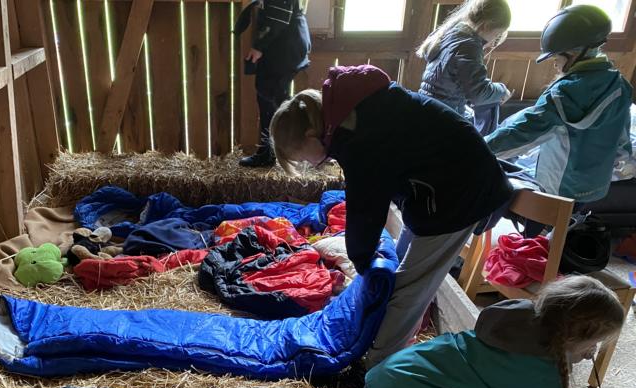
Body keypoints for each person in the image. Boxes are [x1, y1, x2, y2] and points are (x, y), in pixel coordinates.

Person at [269, 64, 513, 367]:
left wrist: (362, 262)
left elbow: (366, 205)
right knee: (400, 273)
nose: (308, 164)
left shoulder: (357, 134)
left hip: (461, 192)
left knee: (410, 287)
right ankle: (390, 340)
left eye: (303, 158)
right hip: (437, 186)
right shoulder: (349, 113)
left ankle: (380, 366)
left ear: (310, 135)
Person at [361, 275, 625, 388]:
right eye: (593, 343)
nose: (593, 350)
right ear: (574, 339)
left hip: (382, 379)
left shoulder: (517, 316)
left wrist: (573, 353)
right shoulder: (541, 373)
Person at [485, 4, 632, 204]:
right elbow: (622, 141)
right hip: (596, 187)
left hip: (557, 191)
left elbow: (520, 133)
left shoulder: (561, 95)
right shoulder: (620, 85)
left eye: (557, 56)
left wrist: (477, 147)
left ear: (573, 53)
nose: (555, 63)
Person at [234, 0, 311, 168]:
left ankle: (275, 153)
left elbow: (279, 14)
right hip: (286, 40)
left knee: (271, 98)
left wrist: (259, 46)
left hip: (284, 42)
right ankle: (275, 152)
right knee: (273, 98)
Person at [418, 0, 513, 135]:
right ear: (486, 25)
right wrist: (502, 91)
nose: (494, 41)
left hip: (427, 107)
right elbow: (478, 94)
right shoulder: (469, 46)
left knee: (471, 114)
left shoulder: (454, 32)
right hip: (442, 118)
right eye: (497, 35)